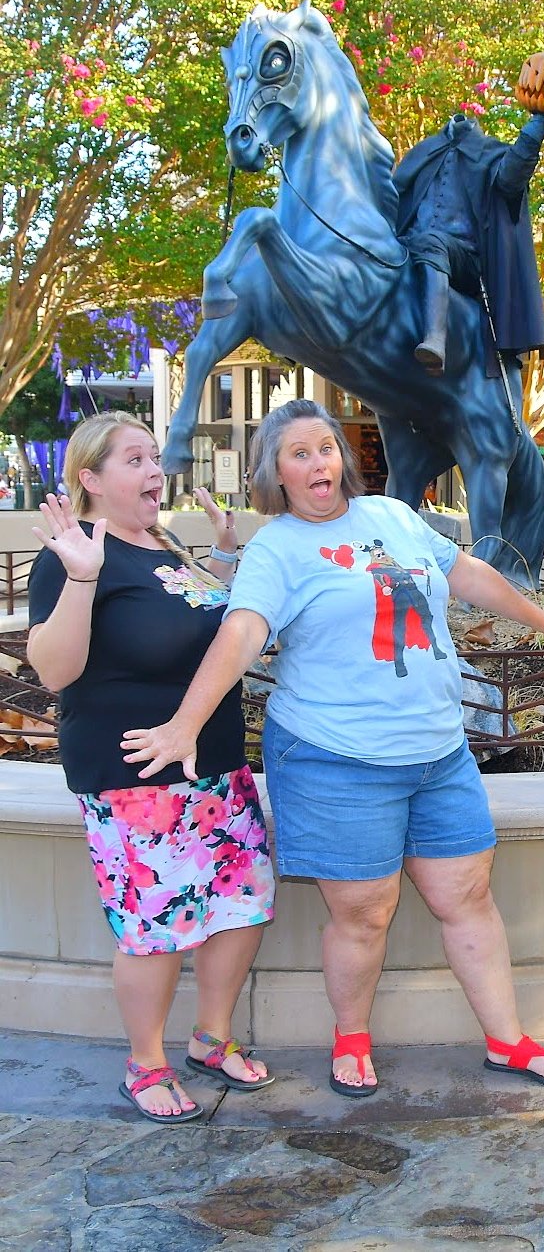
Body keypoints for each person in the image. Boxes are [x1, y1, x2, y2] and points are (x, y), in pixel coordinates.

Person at [123, 399, 544, 1096]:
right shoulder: (277, 549)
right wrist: (185, 723)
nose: (320, 463)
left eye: (327, 447)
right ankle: (350, 1040)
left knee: (467, 895)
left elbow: (464, 574)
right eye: (300, 454)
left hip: (437, 752)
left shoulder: (393, 516)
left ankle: (509, 1041)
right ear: (276, 474)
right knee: (364, 910)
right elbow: (243, 632)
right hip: (334, 756)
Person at [27, 412, 276, 1125]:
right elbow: (53, 670)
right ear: (91, 480)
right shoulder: (76, 554)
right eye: (133, 460)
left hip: (216, 766)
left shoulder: (161, 542)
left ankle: (211, 1038)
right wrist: (80, 579)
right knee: (158, 925)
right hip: (137, 776)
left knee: (239, 908)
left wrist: (223, 556)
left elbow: (204, 627)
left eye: (153, 458)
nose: (152, 472)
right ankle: (146, 1064)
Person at [393, 110, 544, 374]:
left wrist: (536, 128)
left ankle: (435, 338)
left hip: (464, 261)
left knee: (432, 241)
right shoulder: (424, 152)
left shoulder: (489, 153)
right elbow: (395, 195)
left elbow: (512, 177)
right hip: (410, 246)